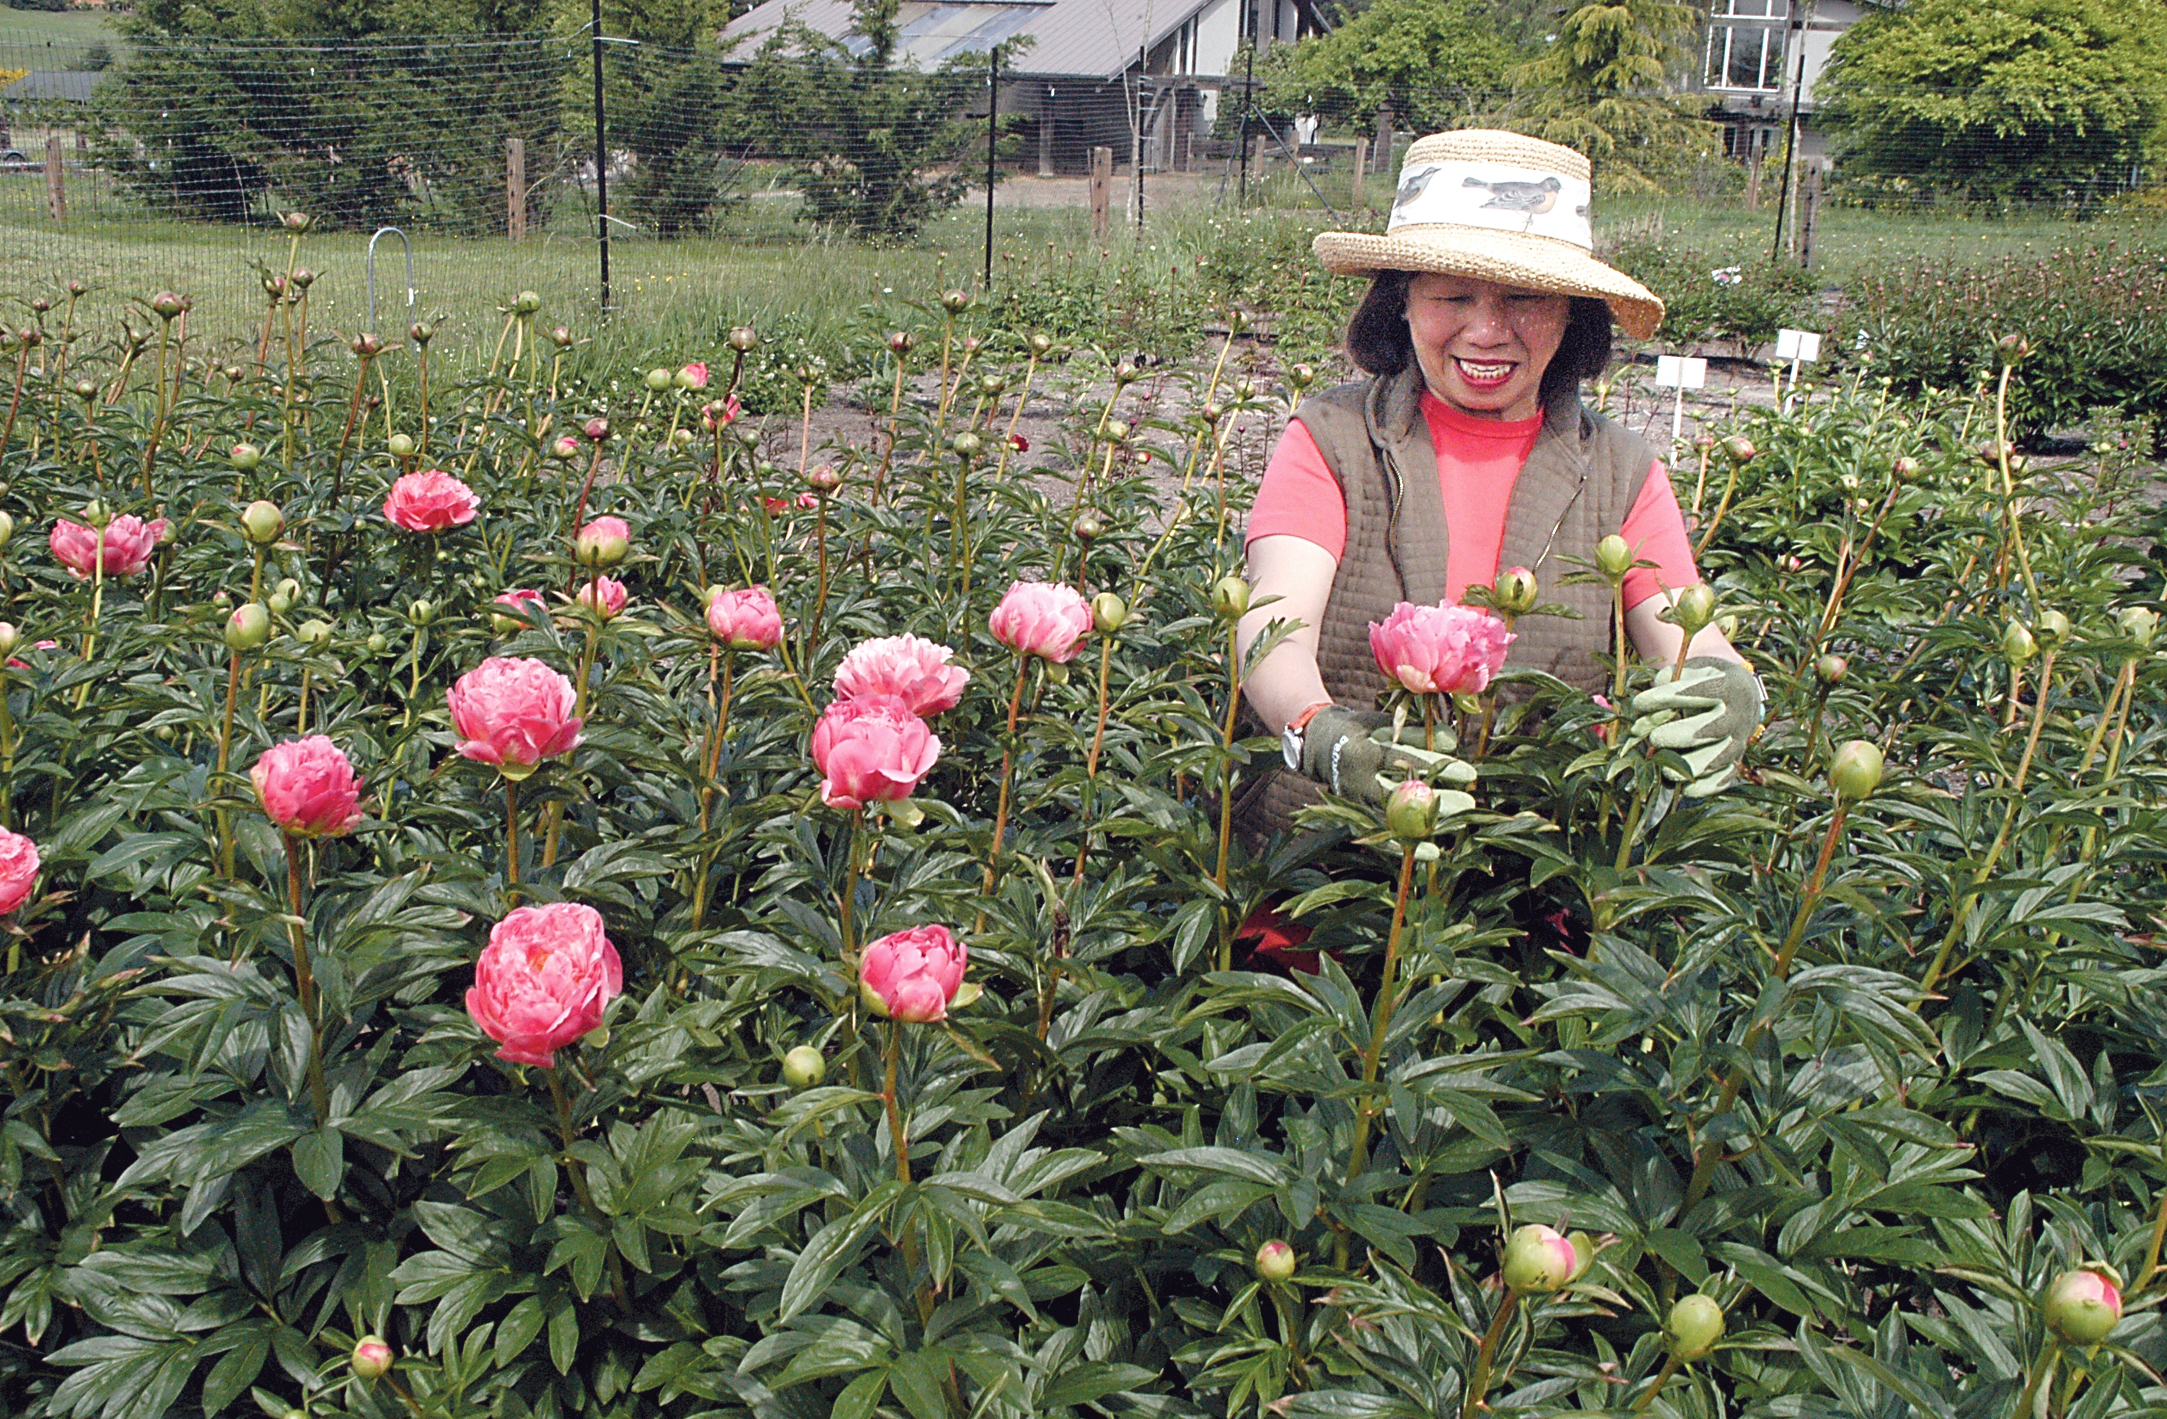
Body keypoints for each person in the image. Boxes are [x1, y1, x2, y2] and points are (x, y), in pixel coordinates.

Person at [1232, 128, 1762, 840]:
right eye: (1451, 296)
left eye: (1524, 298)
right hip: (1330, 851)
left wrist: (1733, 689)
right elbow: (1272, 631)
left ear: (1572, 312)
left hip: (1535, 869)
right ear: (1402, 304)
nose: (1485, 331)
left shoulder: (1620, 469)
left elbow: (1686, 639)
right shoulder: (1331, 439)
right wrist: (1318, 732)